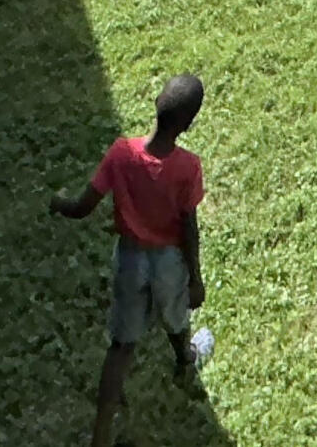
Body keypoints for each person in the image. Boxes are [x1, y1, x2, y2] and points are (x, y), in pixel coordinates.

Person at [52, 73, 210, 444]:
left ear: (156, 101)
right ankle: (185, 357)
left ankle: (101, 435)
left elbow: (83, 206)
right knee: (175, 317)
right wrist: (196, 278)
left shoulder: (122, 154)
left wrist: (59, 203)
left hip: (129, 258)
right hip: (168, 261)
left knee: (121, 346)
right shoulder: (188, 167)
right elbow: (189, 227)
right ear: (188, 124)